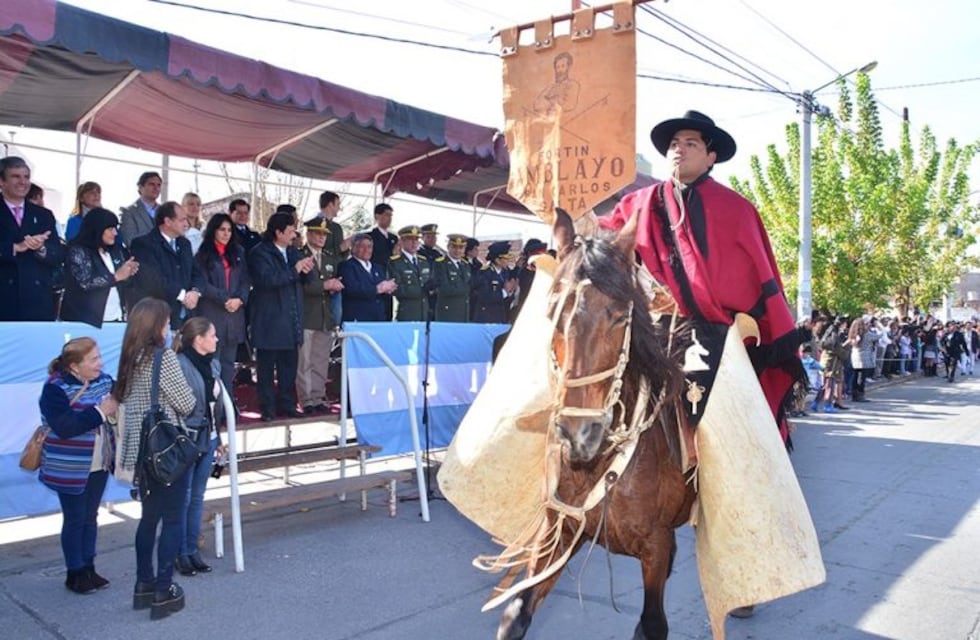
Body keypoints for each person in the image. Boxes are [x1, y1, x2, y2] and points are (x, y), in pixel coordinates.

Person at [597, 110, 802, 446]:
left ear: (710, 157)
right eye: (675, 144)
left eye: (691, 143)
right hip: (649, 327)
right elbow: (605, 239)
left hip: (716, 335)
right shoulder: (637, 203)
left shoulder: (737, 209)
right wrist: (574, 226)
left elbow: (757, 279)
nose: (679, 149)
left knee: (719, 437)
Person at [114, 298, 196, 620]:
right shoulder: (164, 358)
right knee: (174, 519)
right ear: (157, 326)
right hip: (165, 450)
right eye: (167, 322)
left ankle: (143, 584)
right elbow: (186, 403)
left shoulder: (129, 358)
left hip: (139, 452)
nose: (170, 327)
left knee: (148, 519)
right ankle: (164, 589)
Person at [38, 338, 118, 595]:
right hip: (69, 467)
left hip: (99, 462)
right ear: (74, 366)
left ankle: (89, 567)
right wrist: (100, 412)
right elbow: (65, 427)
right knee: (75, 519)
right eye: (93, 360)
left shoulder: (104, 380)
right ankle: (75, 572)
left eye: (99, 357)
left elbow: (121, 401)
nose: (100, 363)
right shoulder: (54, 389)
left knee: (90, 516)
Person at [248, 212, 314, 421]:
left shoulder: (293, 251)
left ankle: (287, 403)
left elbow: (307, 280)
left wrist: (307, 269)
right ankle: (267, 407)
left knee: (288, 368)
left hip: (291, 318)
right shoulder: (260, 252)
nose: (295, 233)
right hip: (269, 319)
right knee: (266, 368)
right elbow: (267, 280)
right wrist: (294, 270)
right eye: (290, 229)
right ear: (278, 232)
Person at [174, 317, 224, 577]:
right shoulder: (180, 365)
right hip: (189, 437)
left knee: (196, 497)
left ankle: (192, 549)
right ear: (198, 339)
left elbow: (216, 403)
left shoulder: (213, 364)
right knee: (183, 498)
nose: (216, 339)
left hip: (210, 436)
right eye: (212, 335)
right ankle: (179, 552)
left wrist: (220, 438)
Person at [0, 156, 64, 321]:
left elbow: (58, 255)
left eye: (26, 177)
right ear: (2, 181)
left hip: (37, 302)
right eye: (16, 176)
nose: (23, 182)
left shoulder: (44, 215)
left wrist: (41, 248)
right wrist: (15, 248)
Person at [192, 213, 250, 394]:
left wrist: (240, 299)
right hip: (212, 313)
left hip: (234, 315)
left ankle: (228, 405)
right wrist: (225, 299)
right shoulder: (203, 254)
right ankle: (213, 407)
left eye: (229, 230)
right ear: (213, 231)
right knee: (212, 363)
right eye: (222, 230)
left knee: (228, 364)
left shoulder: (238, 252)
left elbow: (245, 280)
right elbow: (202, 283)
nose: (226, 234)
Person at [60, 207, 138, 327]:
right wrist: (116, 277)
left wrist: (129, 273)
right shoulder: (78, 251)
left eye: (115, 228)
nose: (115, 233)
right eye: (110, 229)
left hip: (115, 317)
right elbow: (85, 282)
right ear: (98, 229)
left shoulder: (116, 250)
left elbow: (123, 281)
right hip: (84, 320)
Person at [128, 201, 200, 330]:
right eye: (182, 219)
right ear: (167, 221)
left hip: (184, 317)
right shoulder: (143, 244)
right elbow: (151, 280)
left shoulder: (184, 244)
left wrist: (195, 292)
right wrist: (183, 295)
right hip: (156, 319)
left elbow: (197, 272)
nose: (186, 224)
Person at [297, 217, 343, 415]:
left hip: (325, 316)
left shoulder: (330, 258)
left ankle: (317, 396)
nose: (321, 237)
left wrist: (333, 287)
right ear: (308, 234)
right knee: (304, 361)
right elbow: (299, 286)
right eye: (317, 233)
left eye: (324, 234)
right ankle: (306, 399)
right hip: (307, 315)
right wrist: (325, 286)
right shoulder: (299, 255)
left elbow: (331, 283)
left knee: (320, 360)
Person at [338, 233, 397, 322]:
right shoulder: (347, 266)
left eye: (369, 247)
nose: (366, 250)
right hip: (358, 318)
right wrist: (377, 289)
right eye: (362, 246)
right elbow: (351, 289)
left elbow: (383, 289)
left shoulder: (378, 268)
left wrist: (389, 288)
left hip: (378, 318)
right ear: (353, 248)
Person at [314, 191, 349, 327]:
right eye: (337, 204)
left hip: (335, 277)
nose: (339, 208)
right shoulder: (316, 224)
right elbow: (320, 250)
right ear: (330, 204)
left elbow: (341, 257)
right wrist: (342, 247)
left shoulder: (336, 227)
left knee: (335, 319)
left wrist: (345, 249)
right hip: (320, 277)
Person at [388, 225, 433, 322]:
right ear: (402, 241)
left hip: (424, 312)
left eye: (416, 239)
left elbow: (429, 282)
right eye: (410, 239)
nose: (414, 242)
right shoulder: (395, 262)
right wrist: (421, 290)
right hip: (407, 312)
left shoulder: (423, 261)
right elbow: (396, 289)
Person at [471, 241, 517, 324]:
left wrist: (511, 292)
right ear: (497, 260)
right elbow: (485, 296)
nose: (508, 261)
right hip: (486, 317)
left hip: (500, 316)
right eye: (505, 259)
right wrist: (505, 292)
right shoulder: (484, 273)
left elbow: (507, 298)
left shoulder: (505, 272)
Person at [368, 203, 398, 320]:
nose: (389, 218)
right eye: (386, 215)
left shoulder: (393, 238)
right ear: (377, 216)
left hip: (389, 278)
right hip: (375, 279)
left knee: (388, 313)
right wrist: (392, 254)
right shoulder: (370, 236)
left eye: (391, 215)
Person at [433, 233, 472, 322]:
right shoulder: (440, 264)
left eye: (461, 248)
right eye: (454, 247)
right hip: (448, 312)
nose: (457, 250)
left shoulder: (465, 265)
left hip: (463, 311)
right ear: (448, 247)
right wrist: (466, 288)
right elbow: (444, 288)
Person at [119, 171, 163, 246]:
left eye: (158, 185)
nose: (156, 188)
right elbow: (130, 240)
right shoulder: (129, 212)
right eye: (151, 184)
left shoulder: (165, 211)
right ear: (140, 187)